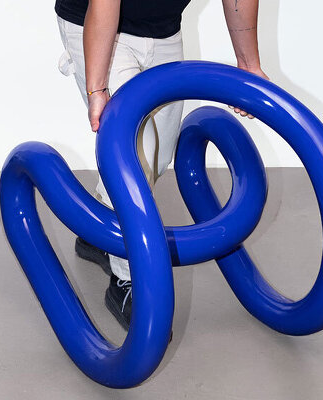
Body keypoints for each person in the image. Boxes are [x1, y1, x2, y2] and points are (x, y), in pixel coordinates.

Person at [55, 0, 269, 330]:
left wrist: (249, 64)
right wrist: (97, 88)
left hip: (164, 31)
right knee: (133, 156)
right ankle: (129, 280)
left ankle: (99, 231)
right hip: (97, 26)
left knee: (157, 158)